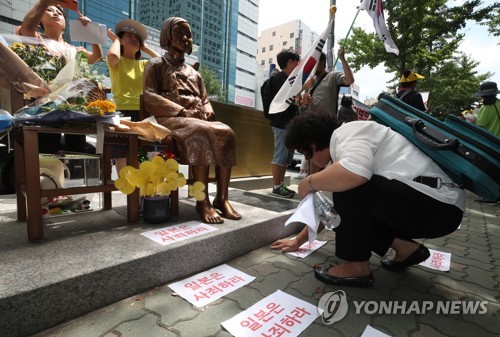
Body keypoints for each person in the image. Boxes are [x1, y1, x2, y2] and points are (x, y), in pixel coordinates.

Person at [272, 112, 464, 288]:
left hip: (438, 206)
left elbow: (355, 173)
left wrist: (309, 182)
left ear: (312, 146)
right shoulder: (343, 153)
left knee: (350, 185)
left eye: (306, 154)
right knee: (346, 198)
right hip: (435, 209)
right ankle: (407, 249)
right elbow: (327, 211)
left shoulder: (347, 133)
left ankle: (356, 267)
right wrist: (298, 241)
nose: (311, 162)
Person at [143, 17, 241, 225]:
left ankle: (222, 198)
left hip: (196, 119)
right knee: (200, 132)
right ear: (168, 35)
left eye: (189, 34)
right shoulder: (155, 65)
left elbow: (205, 99)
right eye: (180, 33)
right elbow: (149, 95)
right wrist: (180, 111)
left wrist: (207, 111)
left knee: (227, 132)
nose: (186, 38)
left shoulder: (195, 73)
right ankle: (201, 200)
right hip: (170, 119)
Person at [17, 0, 103, 154]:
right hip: (45, 106)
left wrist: (90, 30)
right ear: (40, 20)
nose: (56, 13)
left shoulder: (74, 49)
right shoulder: (37, 41)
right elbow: (27, 27)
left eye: (59, 12)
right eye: (49, 10)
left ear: (65, 23)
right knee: (46, 151)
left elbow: (97, 56)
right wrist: (44, 2)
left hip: (73, 108)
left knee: (77, 152)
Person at [106, 19, 160, 174]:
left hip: (144, 112)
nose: (133, 38)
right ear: (121, 41)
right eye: (128, 36)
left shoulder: (143, 64)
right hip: (122, 113)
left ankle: (145, 194)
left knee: (148, 153)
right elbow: (112, 56)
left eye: (136, 37)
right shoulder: (117, 62)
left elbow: (163, 64)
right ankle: (129, 191)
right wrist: (116, 39)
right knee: (121, 155)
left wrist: (145, 48)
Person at [264, 49, 301, 198]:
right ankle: (277, 186)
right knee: (280, 155)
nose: (298, 65)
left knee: (286, 157)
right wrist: (304, 87)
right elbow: (286, 97)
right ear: (290, 62)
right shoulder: (280, 78)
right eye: (297, 62)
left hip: (287, 123)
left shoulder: (286, 78)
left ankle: (280, 185)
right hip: (281, 123)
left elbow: (290, 101)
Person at [297, 48, 354, 115]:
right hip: (309, 122)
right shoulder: (309, 81)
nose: (312, 67)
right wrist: (304, 102)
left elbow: (350, 80)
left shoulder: (332, 76)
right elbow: (299, 103)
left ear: (322, 62)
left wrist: (342, 59)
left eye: (314, 64)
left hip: (326, 122)